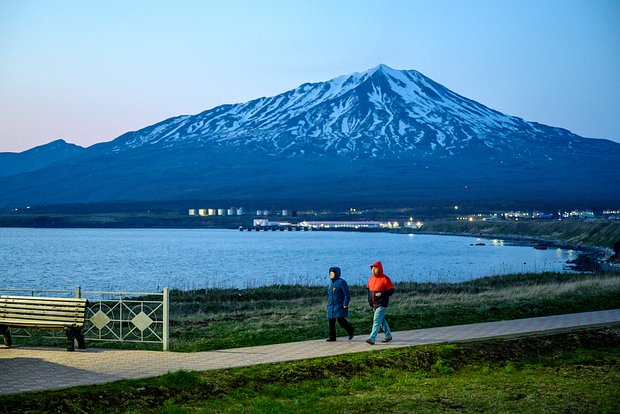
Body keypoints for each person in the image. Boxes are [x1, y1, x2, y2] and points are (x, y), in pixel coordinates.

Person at [366, 261, 395, 344]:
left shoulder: (385, 279)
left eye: (375, 269)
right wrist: (369, 301)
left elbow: (391, 291)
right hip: (373, 303)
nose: (373, 271)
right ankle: (388, 335)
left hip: (382, 303)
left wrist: (382, 294)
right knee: (381, 320)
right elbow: (368, 290)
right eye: (372, 269)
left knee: (376, 320)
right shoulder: (371, 278)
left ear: (379, 269)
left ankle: (372, 338)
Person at [326, 266, 355, 341]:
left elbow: (346, 294)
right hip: (331, 305)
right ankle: (332, 337)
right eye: (330, 273)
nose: (331, 275)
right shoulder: (331, 283)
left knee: (340, 320)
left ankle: (350, 330)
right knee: (331, 321)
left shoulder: (341, 282)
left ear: (337, 274)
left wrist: (345, 303)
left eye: (333, 273)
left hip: (339, 305)